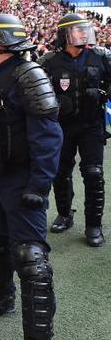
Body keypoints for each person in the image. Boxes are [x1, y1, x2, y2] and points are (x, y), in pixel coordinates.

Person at [0, 14, 61, 340]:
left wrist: (39, 186)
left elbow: (48, 136)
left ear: (1, 43)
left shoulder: (29, 75)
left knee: (30, 258)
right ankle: (1, 297)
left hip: (22, 180)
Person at [39, 13, 111, 247]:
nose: (83, 34)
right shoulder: (49, 60)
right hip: (61, 126)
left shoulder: (102, 56)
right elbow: (36, 91)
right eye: (77, 30)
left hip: (92, 126)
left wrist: (103, 94)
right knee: (59, 172)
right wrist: (53, 102)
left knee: (93, 173)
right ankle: (65, 214)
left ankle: (93, 225)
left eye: (84, 29)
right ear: (64, 35)